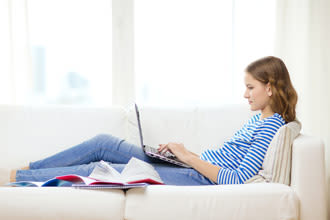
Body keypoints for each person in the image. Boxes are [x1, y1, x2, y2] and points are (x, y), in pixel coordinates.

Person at [9, 56, 298, 186]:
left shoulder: (271, 126)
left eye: (251, 88)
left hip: (198, 179)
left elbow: (235, 179)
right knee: (103, 143)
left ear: (270, 87)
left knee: (102, 169)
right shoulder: (257, 119)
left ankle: (16, 179)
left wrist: (187, 157)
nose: (244, 94)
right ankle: (28, 169)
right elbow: (227, 162)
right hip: (190, 166)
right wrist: (184, 154)